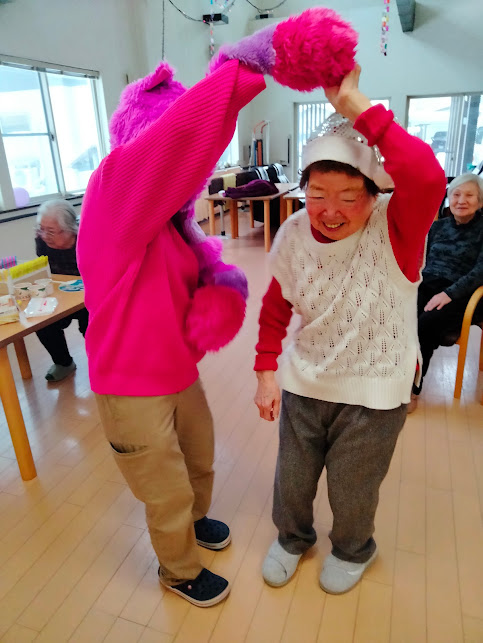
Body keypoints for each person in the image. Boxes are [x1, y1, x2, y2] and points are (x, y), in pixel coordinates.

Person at [77, 7, 360, 608]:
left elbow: (198, 266)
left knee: (199, 462)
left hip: (177, 374)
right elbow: (178, 139)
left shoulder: (173, 225)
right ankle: (177, 569)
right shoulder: (113, 196)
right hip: (129, 385)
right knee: (164, 488)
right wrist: (255, 59)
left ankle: (194, 521)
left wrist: (217, 291)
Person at [254, 65, 446, 595]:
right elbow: (276, 305)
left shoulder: (398, 227)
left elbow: (429, 178)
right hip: (307, 378)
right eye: (317, 194)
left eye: (348, 196)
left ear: (375, 192)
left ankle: (353, 549)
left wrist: (353, 102)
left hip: (375, 387)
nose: (330, 211)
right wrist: (266, 371)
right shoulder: (294, 233)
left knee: (353, 485)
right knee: (292, 477)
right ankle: (292, 537)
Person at [410, 173, 483, 411]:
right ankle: (388, 378)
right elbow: (422, 261)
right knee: (399, 318)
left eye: (469, 195)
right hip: (428, 284)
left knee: (425, 325)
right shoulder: (437, 227)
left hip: (463, 293)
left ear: (480, 201)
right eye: (456, 194)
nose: (461, 200)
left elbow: (480, 271)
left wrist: (449, 294)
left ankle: (412, 388)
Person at [35, 199, 88, 382]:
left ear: (69, 229)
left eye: (50, 231)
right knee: (43, 322)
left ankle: (103, 362)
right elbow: (46, 271)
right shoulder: (42, 241)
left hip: (89, 297)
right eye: (41, 229)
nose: (44, 236)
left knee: (90, 325)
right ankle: (63, 363)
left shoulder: (87, 238)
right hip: (61, 295)